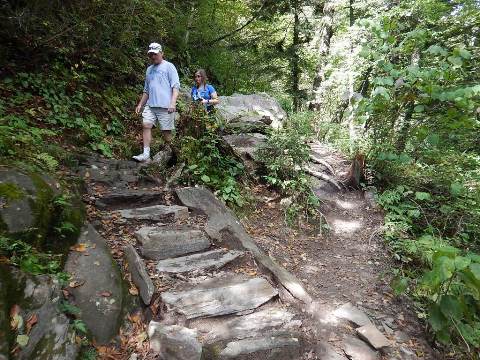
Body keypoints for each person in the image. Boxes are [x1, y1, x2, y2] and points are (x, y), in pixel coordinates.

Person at [133, 42, 180, 162]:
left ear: (161, 53)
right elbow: (146, 90)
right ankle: (146, 153)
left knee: (167, 134)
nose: (153, 57)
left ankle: (176, 155)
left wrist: (173, 103)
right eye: (151, 55)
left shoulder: (169, 66)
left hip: (165, 106)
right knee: (146, 124)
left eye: (155, 54)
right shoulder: (149, 70)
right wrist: (140, 104)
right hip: (151, 105)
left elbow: (175, 86)